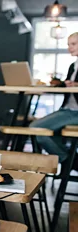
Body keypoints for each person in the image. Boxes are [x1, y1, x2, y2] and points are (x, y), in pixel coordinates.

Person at [30, 32, 78, 168]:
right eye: (68, 44)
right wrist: (61, 84)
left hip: (74, 112)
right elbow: (69, 85)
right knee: (45, 132)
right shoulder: (73, 66)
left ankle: (69, 161)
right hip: (67, 110)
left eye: (73, 44)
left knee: (36, 128)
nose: (70, 47)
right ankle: (70, 159)